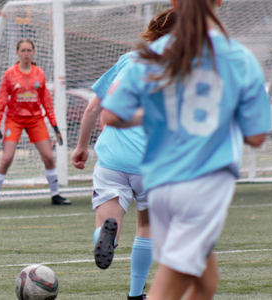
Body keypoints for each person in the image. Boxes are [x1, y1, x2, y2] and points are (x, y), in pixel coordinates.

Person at [101, 0, 272, 299]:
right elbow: (256, 136)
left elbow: (112, 114)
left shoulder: (152, 54)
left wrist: (158, 116)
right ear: (219, 2)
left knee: (206, 282)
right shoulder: (237, 57)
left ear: (173, 2)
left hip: (160, 183)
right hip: (202, 184)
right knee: (169, 285)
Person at [71, 8, 177, 300]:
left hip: (112, 159)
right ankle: (134, 294)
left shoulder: (128, 60)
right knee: (146, 226)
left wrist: (81, 147)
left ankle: (106, 236)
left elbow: (93, 108)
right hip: (149, 163)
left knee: (108, 224)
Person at [0, 39, 69, 208]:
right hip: (14, 120)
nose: (26, 53)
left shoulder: (39, 73)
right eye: (23, 50)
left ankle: (55, 195)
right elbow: (2, 100)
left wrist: (54, 125)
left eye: (29, 50)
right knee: (7, 158)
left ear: (33, 52)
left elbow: (46, 100)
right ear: (17, 53)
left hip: (35, 120)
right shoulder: (10, 74)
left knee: (49, 157)